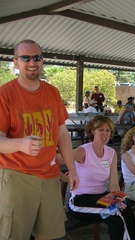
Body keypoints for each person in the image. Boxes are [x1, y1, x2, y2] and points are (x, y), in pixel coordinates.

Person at [0, 39, 79, 240]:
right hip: (17, 176)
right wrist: (20, 144)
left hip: (50, 176)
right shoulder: (5, 94)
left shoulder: (52, 92)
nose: (32, 62)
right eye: (25, 57)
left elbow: (63, 134)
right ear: (16, 62)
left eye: (37, 57)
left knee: (52, 235)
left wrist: (72, 169)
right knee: (13, 235)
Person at [68, 115, 135, 240]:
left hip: (101, 198)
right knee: (115, 214)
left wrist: (118, 200)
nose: (105, 133)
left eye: (108, 130)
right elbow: (58, 159)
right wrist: (67, 175)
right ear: (92, 131)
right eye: (101, 130)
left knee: (125, 209)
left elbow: (114, 183)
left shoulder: (111, 153)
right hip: (80, 201)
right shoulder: (83, 151)